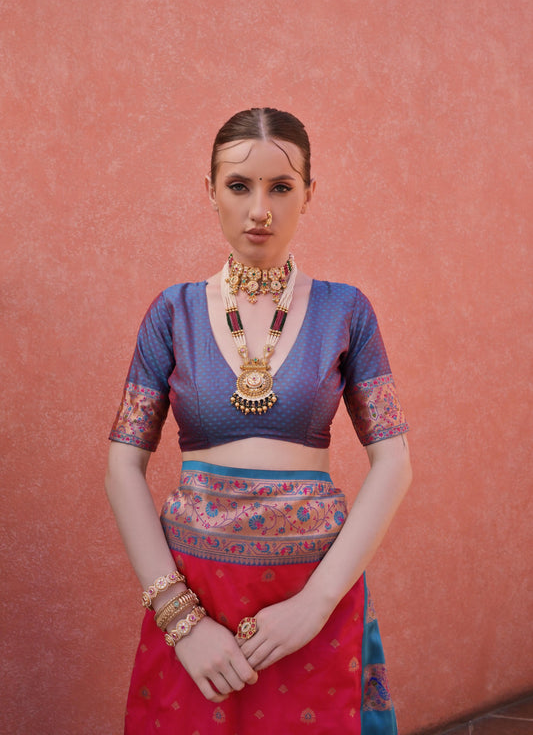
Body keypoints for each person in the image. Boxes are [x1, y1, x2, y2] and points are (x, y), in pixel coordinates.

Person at [106, 107, 412, 734]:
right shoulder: (174, 313)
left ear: (310, 194)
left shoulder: (345, 310)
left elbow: (394, 462)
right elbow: (121, 465)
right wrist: (180, 620)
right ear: (210, 191)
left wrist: (316, 604)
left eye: (282, 187)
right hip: (197, 601)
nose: (260, 210)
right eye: (240, 186)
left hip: (312, 599)